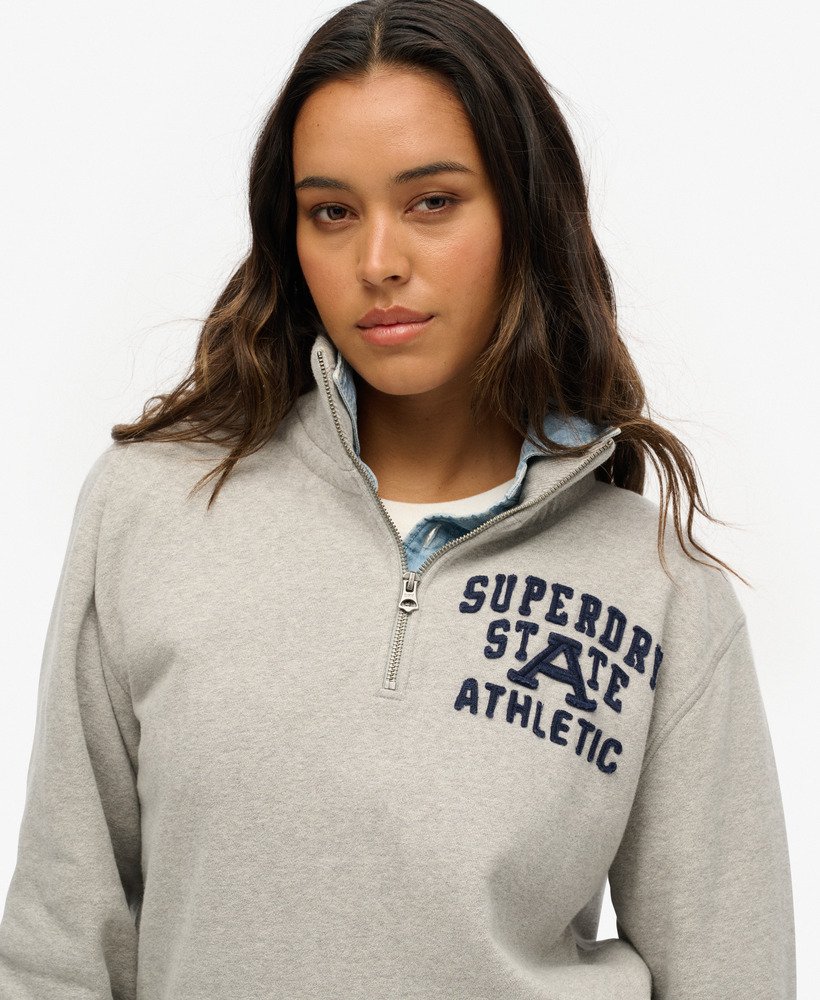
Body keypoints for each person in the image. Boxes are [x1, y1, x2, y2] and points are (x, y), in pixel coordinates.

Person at [0, 0, 796, 997]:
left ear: (523, 213)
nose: (377, 261)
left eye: (432, 201)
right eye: (332, 212)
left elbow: (732, 973)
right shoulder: (151, 510)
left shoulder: (659, 589)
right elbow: (59, 948)